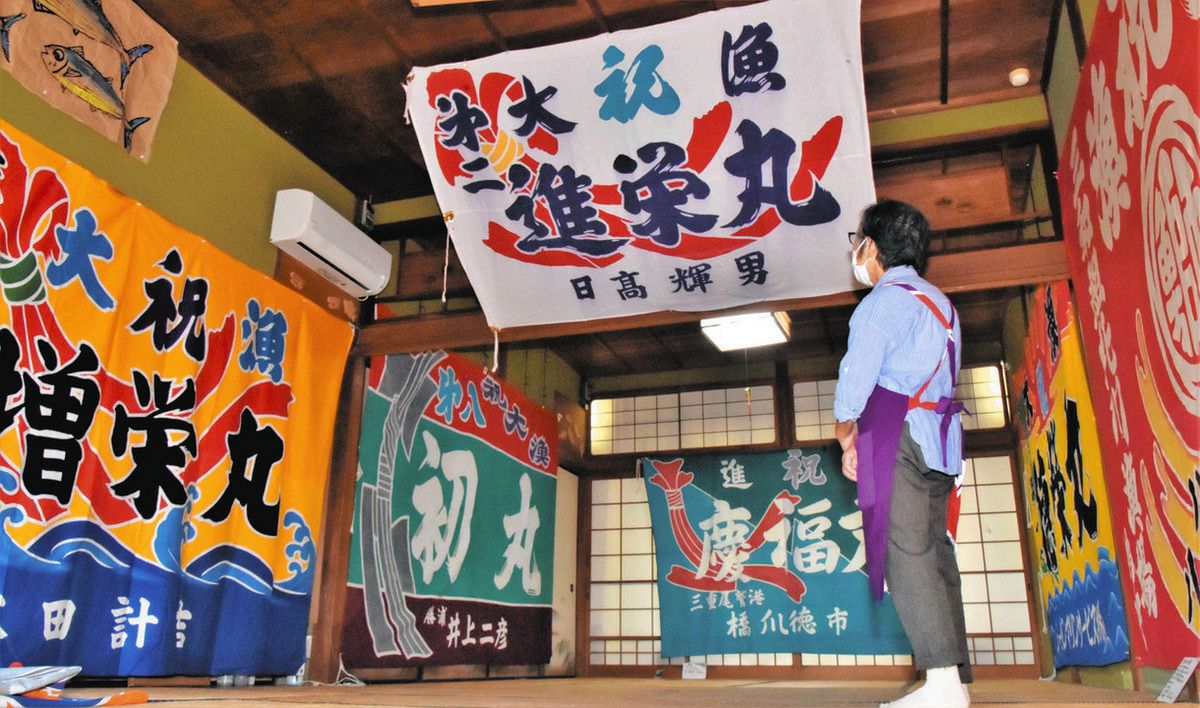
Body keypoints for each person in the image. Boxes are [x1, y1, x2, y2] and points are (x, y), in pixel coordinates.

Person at [833, 200, 971, 708]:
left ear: (872, 245)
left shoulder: (884, 301)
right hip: (938, 435)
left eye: (857, 241)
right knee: (935, 551)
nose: (855, 252)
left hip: (899, 430)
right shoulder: (940, 302)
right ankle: (951, 680)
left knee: (906, 553)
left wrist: (848, 435)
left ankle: (942, 686)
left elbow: (857, 380)